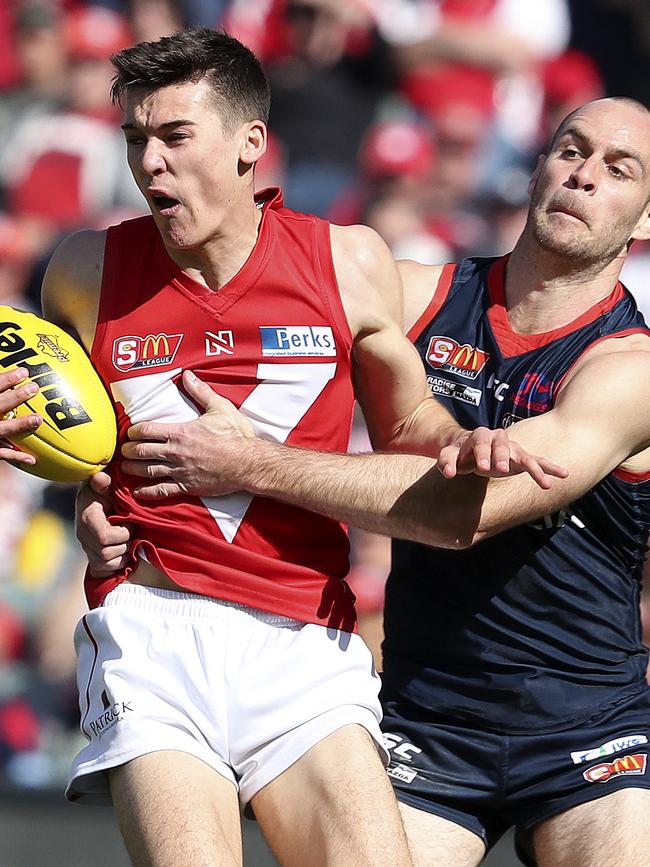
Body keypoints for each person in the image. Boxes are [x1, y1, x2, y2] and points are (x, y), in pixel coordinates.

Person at [35, 25, 558, 867]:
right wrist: (79, 501)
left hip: (306, 640)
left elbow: (410, 426)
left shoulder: (346, 261)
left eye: (174, 135)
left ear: (250, 144)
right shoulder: (85, 269)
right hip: (153, 629)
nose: (149, 163)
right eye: (136, 137)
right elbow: (75, 441)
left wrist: (468, 444)